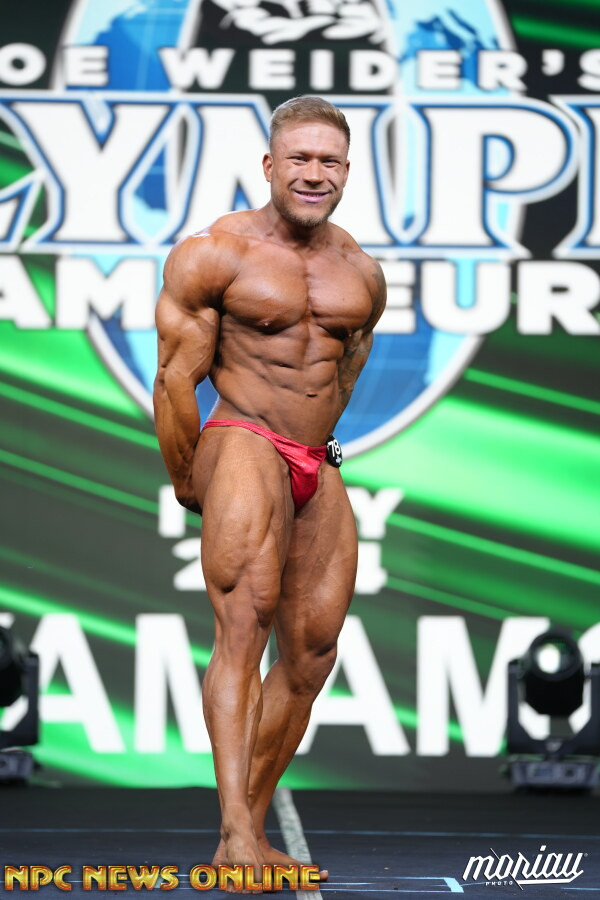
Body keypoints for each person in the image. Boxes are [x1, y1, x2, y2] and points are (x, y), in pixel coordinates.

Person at [153, 95, 386, 881]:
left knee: (312, 653)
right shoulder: (215, 253)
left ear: (347, 171)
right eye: (300, 158)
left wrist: (317, 454)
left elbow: (345, 370)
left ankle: (242, 833)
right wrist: (189, 476)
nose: (314, 173)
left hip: (316, 455)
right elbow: (174, 378)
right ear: (270, 165)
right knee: (243, 631)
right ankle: (238, 836)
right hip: (243, 437)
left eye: (330, 161)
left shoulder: (362, 273)